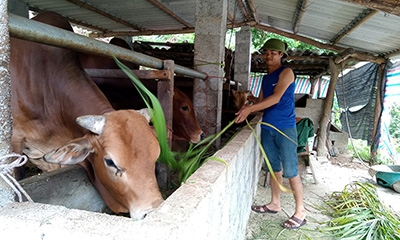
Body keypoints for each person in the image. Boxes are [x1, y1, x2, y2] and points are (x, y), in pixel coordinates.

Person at [235, 38, 306, 229]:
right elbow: (261, 101)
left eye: (273, 53)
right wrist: (247, 106)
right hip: (267, 127)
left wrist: (250, 109)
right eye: (266, 52)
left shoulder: (287, 72)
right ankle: (275, 203)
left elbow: (275, 99)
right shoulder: (266, 78)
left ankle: (300, 212)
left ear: (281, 55)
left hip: (284, 128)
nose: (268, 56)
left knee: (291, 170)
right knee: (274, 168)